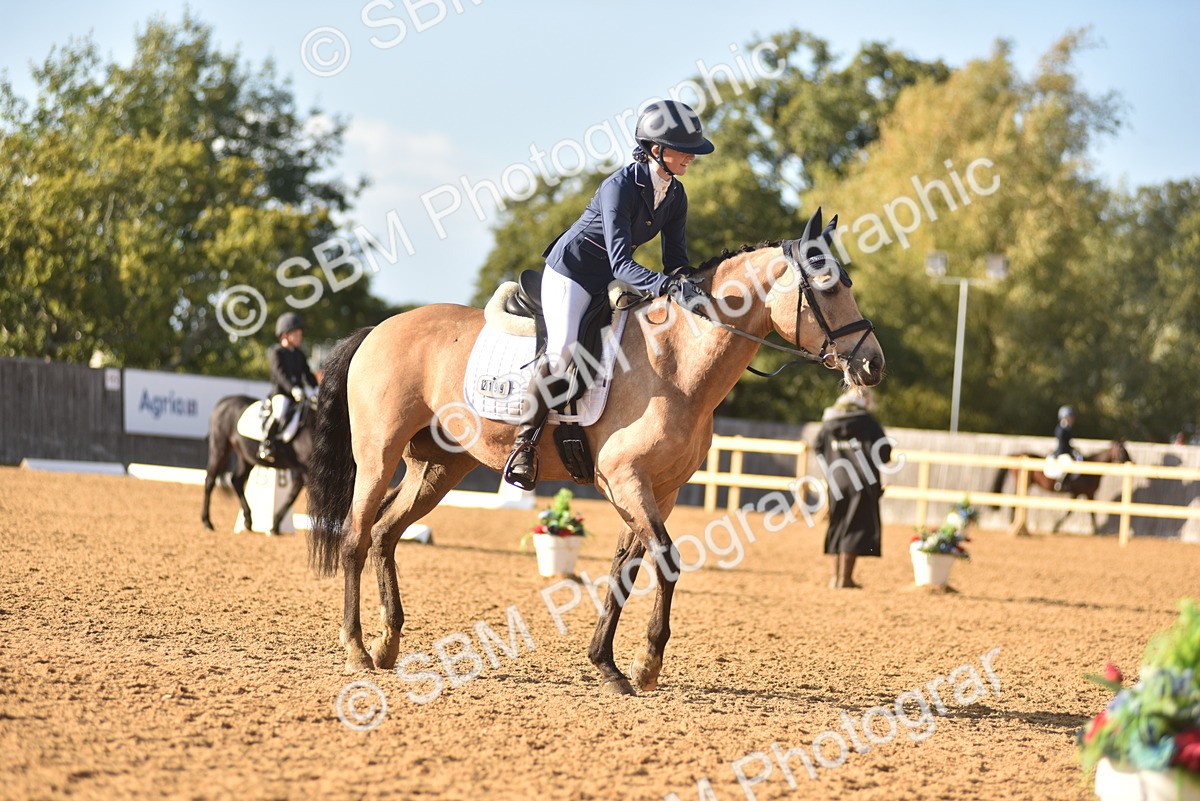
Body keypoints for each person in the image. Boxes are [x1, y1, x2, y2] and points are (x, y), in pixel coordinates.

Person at [501, 100, 715, 489]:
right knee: (563, 349)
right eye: (683, 150)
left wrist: (690, 286)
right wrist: (665, 286)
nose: (691, 158)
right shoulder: (619, 187)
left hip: (607, 281)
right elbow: (620, 264)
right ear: (656, 150)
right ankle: (523, 447)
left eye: (691, 152)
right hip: (572, 273)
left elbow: (676, 260)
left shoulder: (675, 195)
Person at [814, 388, 891, 589]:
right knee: (855, 527)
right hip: (862, 482)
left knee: (837, 524)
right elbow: (884, 453)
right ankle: (845, 578)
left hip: (836, 481)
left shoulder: (829, 422)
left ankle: (834, 578)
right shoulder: (868, 423)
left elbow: (817, 447)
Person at [258, 312, 319, 462]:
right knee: (279, 411)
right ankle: (266, 444)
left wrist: (316, 388)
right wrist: (293, 389)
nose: (300, 337)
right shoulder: (276, 353)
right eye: (296, 334)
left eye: (300, 334)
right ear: (285, 335)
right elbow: (280, 375)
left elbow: (307, 373)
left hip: (299, 394)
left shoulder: (299, 354)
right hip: (282, 393)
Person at [1049, 405, 1078, 491]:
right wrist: (1069, 451)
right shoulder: (1061, 429)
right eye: (1071, 417)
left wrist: (1073, 450)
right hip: (1061, 452)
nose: (1072, 419)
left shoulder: (1067, 428)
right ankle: (1060, 482)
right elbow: (1062, 445)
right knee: (1068, 462)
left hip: (1066, 451)